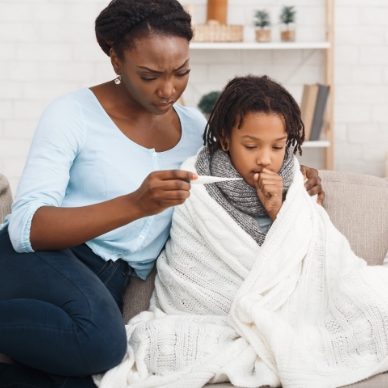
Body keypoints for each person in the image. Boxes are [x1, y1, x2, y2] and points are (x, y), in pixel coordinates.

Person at [0, 1, 323, 387]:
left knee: (101, 378)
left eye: (181, 72)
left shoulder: (198, 128)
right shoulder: (72, 114)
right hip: (39, 261)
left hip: (109, 281)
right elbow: (27, 228)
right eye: (149, 76)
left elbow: (246, 162)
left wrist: (298, 175)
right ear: (116, 60)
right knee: (102, 345)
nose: (168, 89)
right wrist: (135, 204)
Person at [96, 76, 388, 388]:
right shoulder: (197, 189)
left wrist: (279, 209)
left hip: (292, 308)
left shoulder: (298, 183)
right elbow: (192, 266)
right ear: (225, 139)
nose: (266, 158)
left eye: (278, 146)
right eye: (251, 146)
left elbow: (317, 255)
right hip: (214, 315)